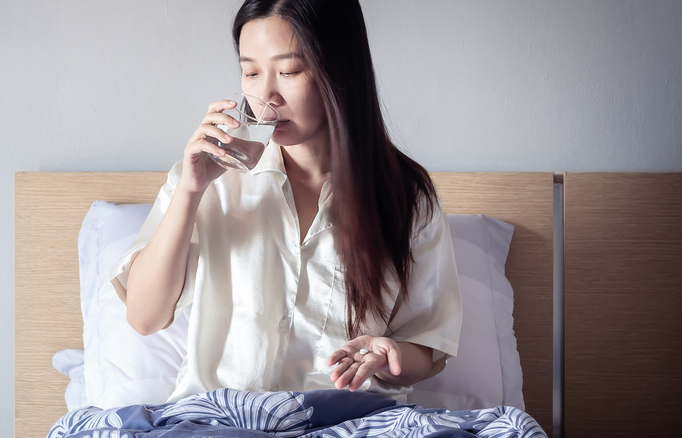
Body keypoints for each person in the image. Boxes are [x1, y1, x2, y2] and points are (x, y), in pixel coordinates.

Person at [110, 0, 461, 403]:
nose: (266, 94)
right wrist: (190, 191)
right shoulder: (210, 179)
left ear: (340, 68)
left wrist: (389, 355)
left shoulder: (407, 196)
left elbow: (428, 345)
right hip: (221, 419)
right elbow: (144, 317)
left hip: (350, 419)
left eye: (289, 71)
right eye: (251, 72)